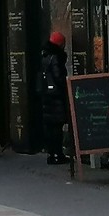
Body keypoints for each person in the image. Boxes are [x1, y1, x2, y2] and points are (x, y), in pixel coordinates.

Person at [40, 31, 69, 165]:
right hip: (56, 96)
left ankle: (51, 154)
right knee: (57, 126)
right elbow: (59, 77)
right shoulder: (56, 57)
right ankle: (58, 154)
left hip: (46, 94)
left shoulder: (44, 54)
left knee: (50, 126)